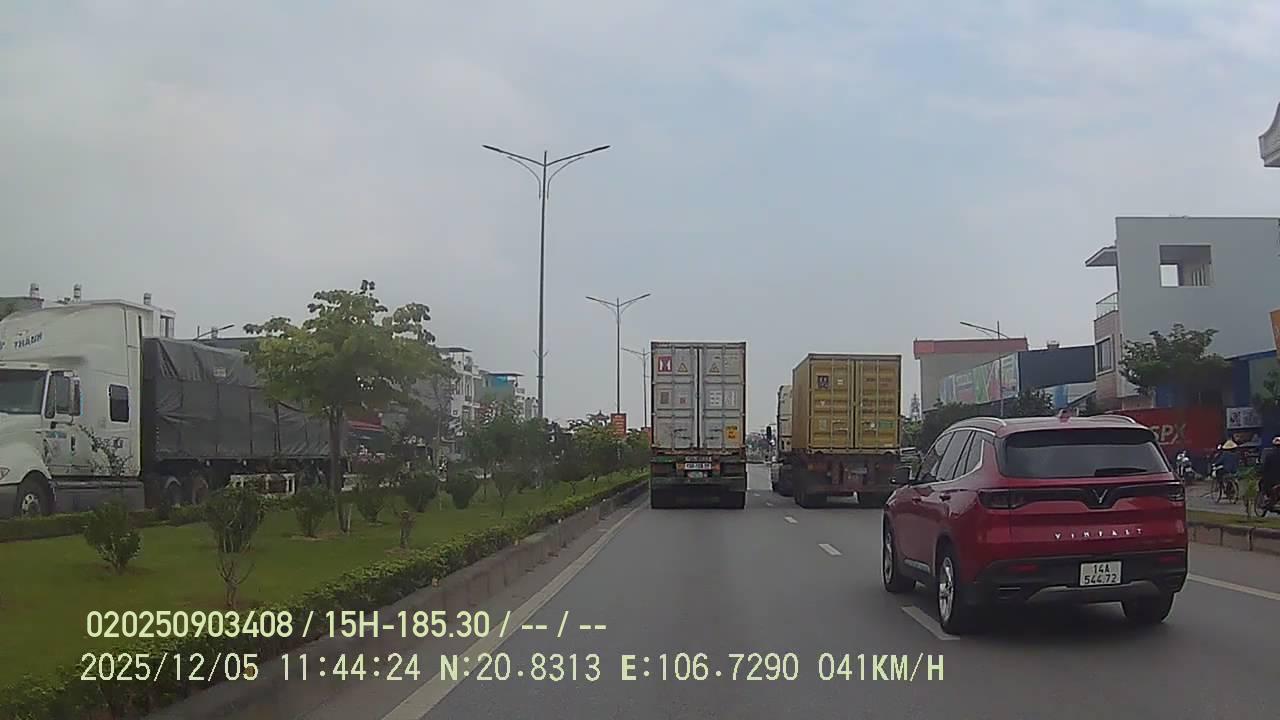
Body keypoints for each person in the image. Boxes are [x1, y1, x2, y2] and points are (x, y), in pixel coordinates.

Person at [1261, 436, 1280, 502]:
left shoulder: (1269, 455)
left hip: (1272, 479)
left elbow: (1265, 468)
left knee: (1263, 483)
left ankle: (1266, 497)